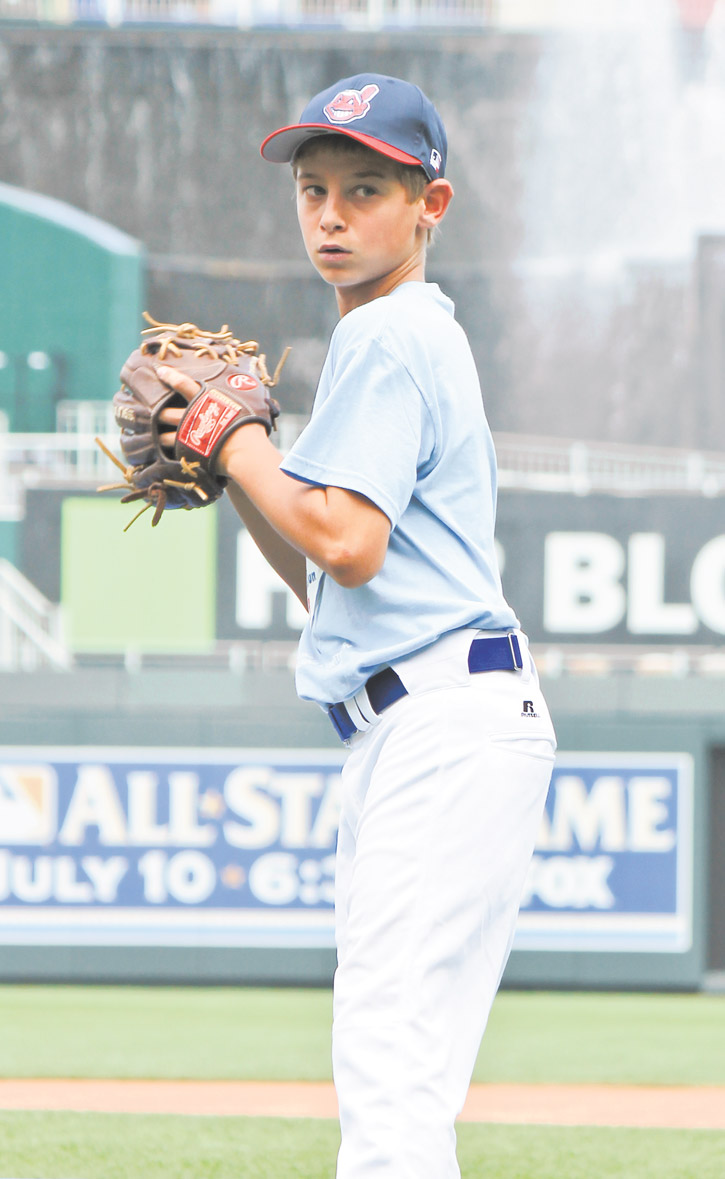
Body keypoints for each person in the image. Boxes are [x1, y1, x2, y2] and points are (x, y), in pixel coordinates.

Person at [157, 72, 556, 1179]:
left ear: (429, 206)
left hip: (439, 720)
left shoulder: (385, 335)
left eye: (365, 190)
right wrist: (238, 465)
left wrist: (236, 441)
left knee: (387, 1065)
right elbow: (330, 581)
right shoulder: (399, 336)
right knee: (396, 1064)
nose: (330, 214)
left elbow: (345, 543)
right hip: (427, 714)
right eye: (314, 188)